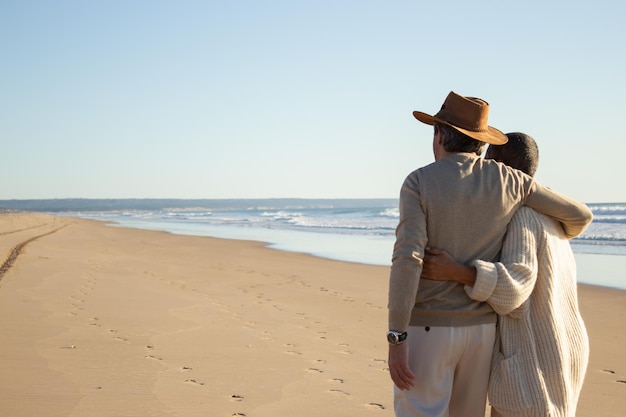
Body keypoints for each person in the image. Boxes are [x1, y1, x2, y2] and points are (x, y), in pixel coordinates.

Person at [387, 92, 592, 417]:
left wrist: (396, 337)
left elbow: (408, 259)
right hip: (482, 334)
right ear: (480, 143)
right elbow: (580, 215)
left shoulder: (418, 182)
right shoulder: (511, 181)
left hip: (430, 328)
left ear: (439, 133)